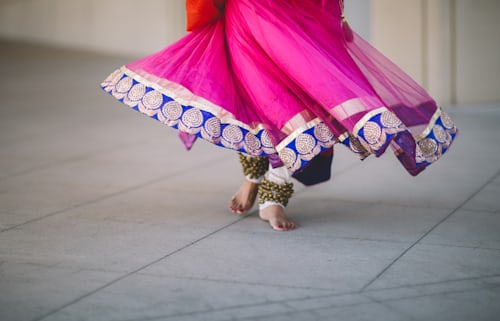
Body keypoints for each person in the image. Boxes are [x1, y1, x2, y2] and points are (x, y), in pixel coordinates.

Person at [101, 0, 458, 231]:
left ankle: (271, 191)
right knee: (260, 98)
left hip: (304, 13)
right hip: (252, 10)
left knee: (303, 103)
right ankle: (258, 182)